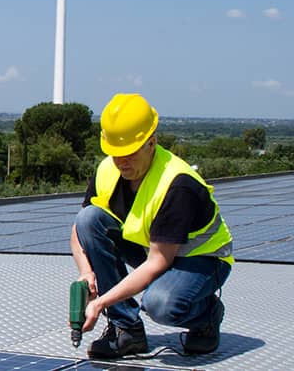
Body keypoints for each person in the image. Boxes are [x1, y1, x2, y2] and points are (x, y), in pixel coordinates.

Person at [71, 93, 233, 358]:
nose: (121, 162)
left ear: (151, 143)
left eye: (130, 154)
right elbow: (79, 233)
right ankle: (127, 331)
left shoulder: (177, 184)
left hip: (202, 261)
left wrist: (100, 302)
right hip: (154, 248)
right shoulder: (107, 170)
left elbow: (158, 262)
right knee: (89, 219)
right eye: (115, 154)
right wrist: (86, 272)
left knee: (160, 304)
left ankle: (206, 316)